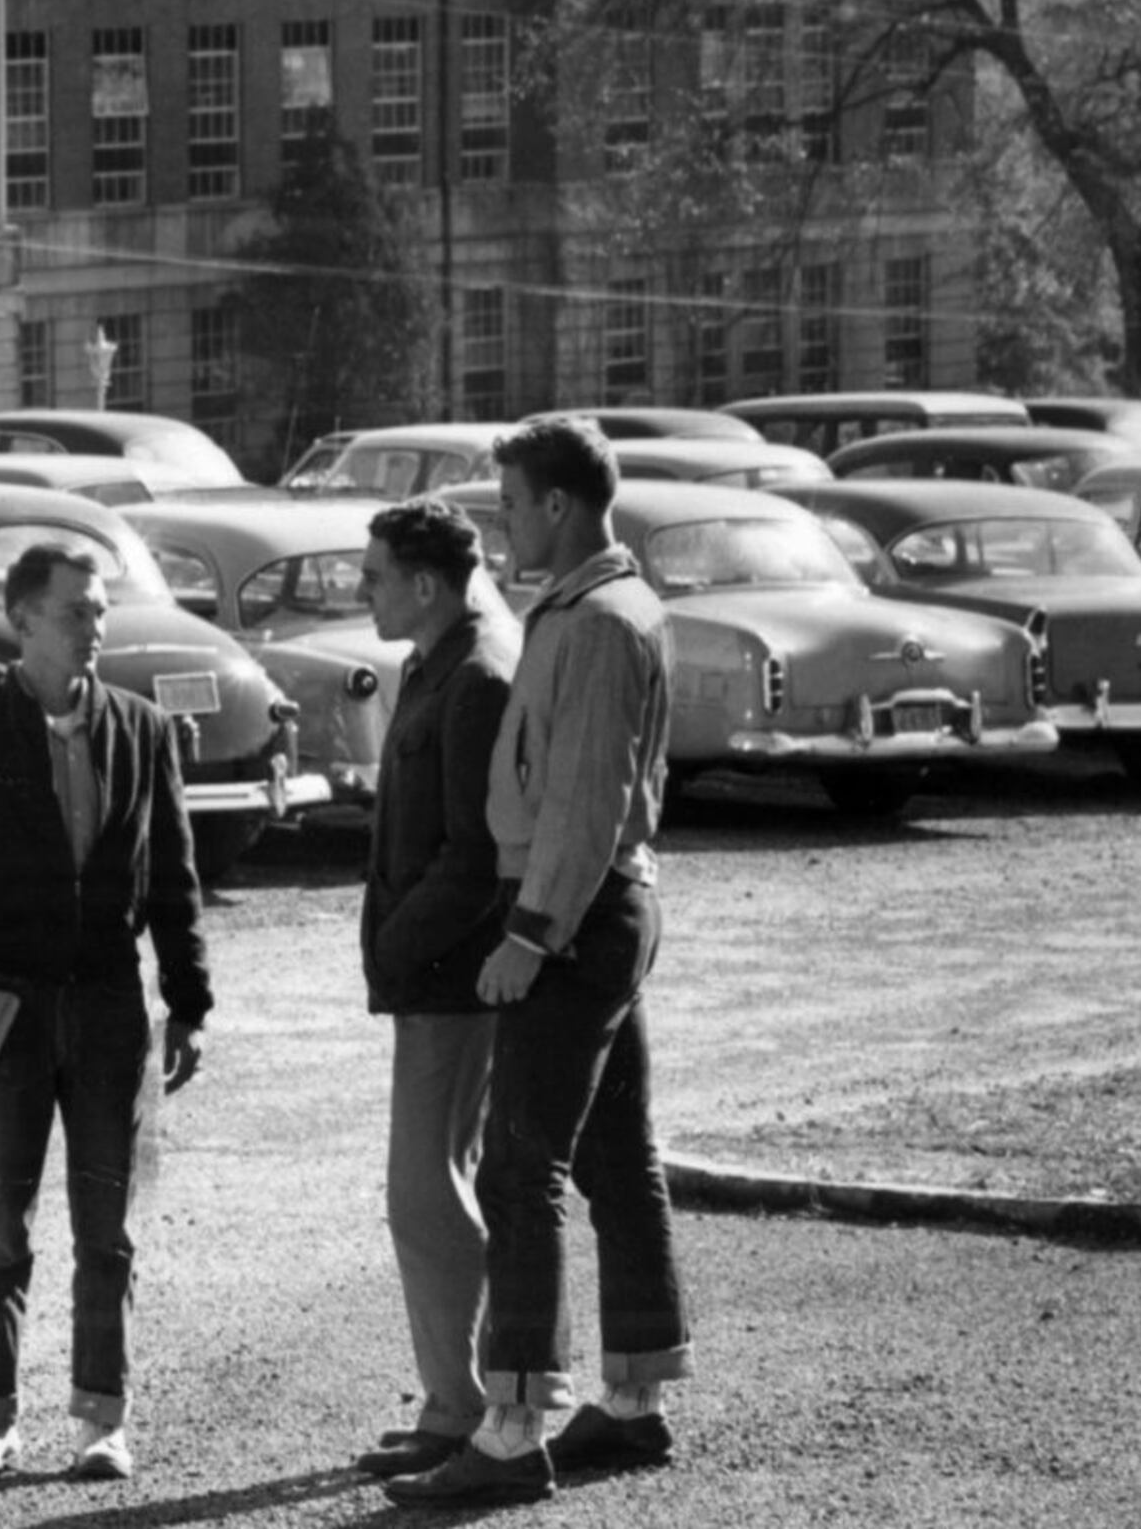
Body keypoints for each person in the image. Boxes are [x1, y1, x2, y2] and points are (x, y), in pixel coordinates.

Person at [391, 415, 691, 1508]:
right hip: (600, 903)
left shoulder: (601, 620)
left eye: (512, 502)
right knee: (617, 1151)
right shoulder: (592, 608)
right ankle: (635, 1395)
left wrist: (531, 932)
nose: (504, 521)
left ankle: (514, 1424)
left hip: (571, 909)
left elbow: (582, 797)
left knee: (523, 1165)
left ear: (560, 505)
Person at [0, 541, 210, 1487]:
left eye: (101, 609)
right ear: (22, 619)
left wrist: (188, 1002)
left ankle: (100, 1421)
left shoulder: (144, 730)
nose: (97, 627)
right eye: (77, 610)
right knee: (0, 1224)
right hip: (1, 1002)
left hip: (114, 1008)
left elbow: (176, 885)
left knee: (107, 1228)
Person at [351, 495, 522, 1485]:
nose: (363, 588)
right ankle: (460, 1399)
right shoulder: (438, 660)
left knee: (427, 1191)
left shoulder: (476, 674)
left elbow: (473, 857)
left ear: (423, 582)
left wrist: (395, 947)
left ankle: (480, 1401)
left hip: (452, 979)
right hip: (432, 977)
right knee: (428, 1189)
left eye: (374, 574)